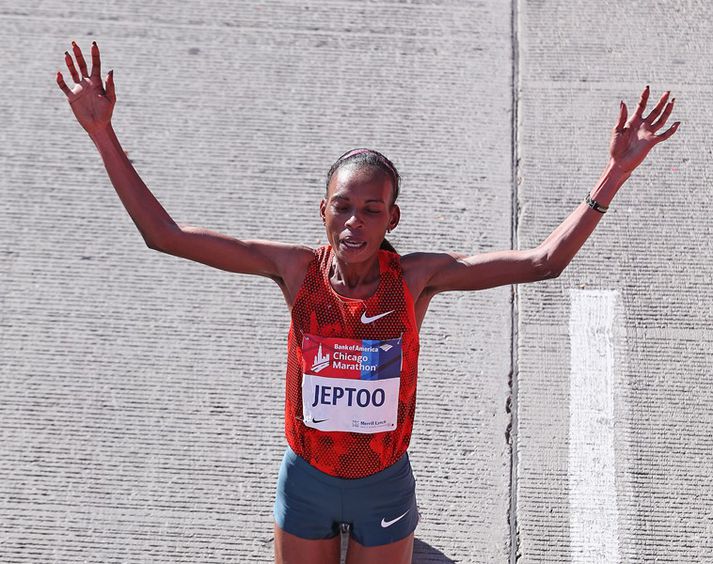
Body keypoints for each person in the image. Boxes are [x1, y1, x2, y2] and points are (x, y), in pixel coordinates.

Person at [57, 41, 680, 564]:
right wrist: (103, 133)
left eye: (372, 209)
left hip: (382, 487)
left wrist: (613, 175)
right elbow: (165, 238)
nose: (355, 221)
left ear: (392, 217)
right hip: (306, 482)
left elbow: (544, 262)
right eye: (343, 206)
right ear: (323, 211)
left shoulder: (414, 279)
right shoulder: (294, 268)